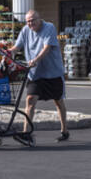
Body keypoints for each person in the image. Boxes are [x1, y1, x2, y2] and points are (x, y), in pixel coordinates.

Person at [11, 9, 69, 142]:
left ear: (39, 19)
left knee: (58, 101)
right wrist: (8, 52)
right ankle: (27, 133)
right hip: (35, 73)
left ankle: (64, 130)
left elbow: (46, 48)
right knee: (30, 100)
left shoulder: (49, 27)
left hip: (52, 72)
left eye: (32, 20)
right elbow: (17, 47)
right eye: (28, 21)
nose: (30, 24)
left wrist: (35, 60)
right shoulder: (26, 30)